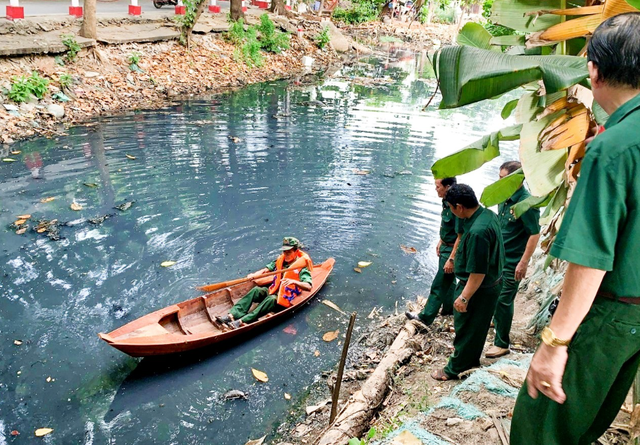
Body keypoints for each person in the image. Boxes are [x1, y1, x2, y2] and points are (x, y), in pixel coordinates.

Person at [510, 13, 640, 445]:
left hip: (611, 314)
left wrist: (553, 343)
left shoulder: (613, 147)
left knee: (541, 422)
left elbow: (591, 259)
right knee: (589, 420)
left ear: (594, 71)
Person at [431, 184, 504, 380]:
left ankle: (453, 369)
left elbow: (478, 273)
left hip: (479, 289)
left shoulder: (478, 233)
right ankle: (470, 361)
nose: (452, 213)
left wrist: (464, 297)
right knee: (476, 329)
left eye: (452, 208)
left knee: (466, 330)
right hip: (492, 283)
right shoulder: (487, 214)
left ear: (459, 207)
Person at [485, 161, 540, 358]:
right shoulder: (503, 197)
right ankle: (497, 321)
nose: (499, 182)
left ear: (517, 179)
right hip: (498, 257)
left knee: (504, 300)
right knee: (495, 295)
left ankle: (501, 343)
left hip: (512, 261)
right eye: (498, 178)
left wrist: (523, 262)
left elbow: (534, 234)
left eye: (503, 179)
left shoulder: (526, 204)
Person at [217, 237, 313, 329]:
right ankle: (232, 315)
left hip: (286, 296)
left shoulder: (301, 267)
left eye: (289, 252)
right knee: (256, 290)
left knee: (271, 299)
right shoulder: (280, 260)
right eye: (284, 251)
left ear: (296, 251)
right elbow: (266, 270)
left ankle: (242, 321)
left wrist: (294, 282)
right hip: (273, 290)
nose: (286, 254)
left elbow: (308, 286)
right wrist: (253, 275)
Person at [406, 177, 462, 326]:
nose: (435, 189)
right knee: (449, 282)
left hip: (452, 250)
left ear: (448, 186)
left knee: (439, 283)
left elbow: (461, 235)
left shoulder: (457, 205)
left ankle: (425, 317)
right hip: (446, 245)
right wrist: (441, 241)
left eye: (438, 186)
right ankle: (448, 309)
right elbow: (448, 226)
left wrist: (452, 258)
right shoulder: (446, 201)